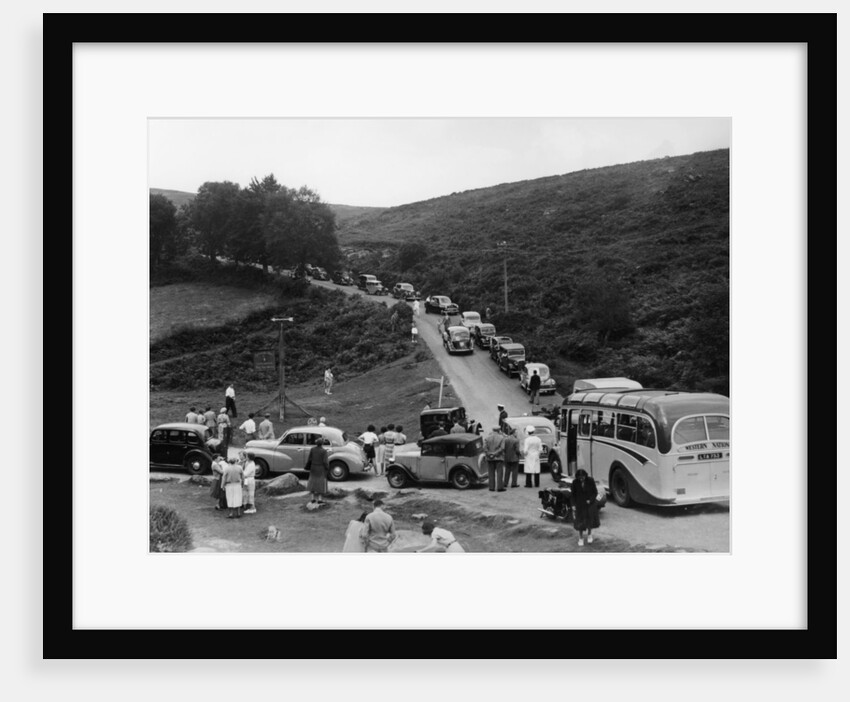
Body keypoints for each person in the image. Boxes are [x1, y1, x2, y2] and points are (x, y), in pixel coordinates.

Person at [571, 468, 600, 546]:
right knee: (580, 522)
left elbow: (595, 492)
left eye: (582, 477)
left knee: (590, 521)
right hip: (579, 505)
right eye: (579, 477)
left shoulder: (590, 480)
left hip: (589, 505)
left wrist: (590, 500)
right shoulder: (575, 482)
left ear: (585, 476)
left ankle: (589, 535)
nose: (581, 479)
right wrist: (573, 505)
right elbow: (573, 495)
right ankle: (580, 538)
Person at [305, 436, 329, 504]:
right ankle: (319, 499)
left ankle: (312, 498)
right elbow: (325, 462)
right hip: (321, 468)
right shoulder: (324, 451)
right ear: (322, 443)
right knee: (320, 483)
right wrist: (327, 468)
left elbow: (309, 459)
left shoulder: (312, 449)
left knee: (312, 482)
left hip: (313, 467)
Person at [482, 425, 506, 492]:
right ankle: (499, 487)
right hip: (498, 457)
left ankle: (491, 487)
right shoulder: (501, 437)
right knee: (499, 473)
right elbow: (502, 448)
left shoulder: (487, 437)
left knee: (491, 473)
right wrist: (495, 454)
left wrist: (489, 454)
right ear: (499, 430)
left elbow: (484, 448)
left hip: (490, 458)